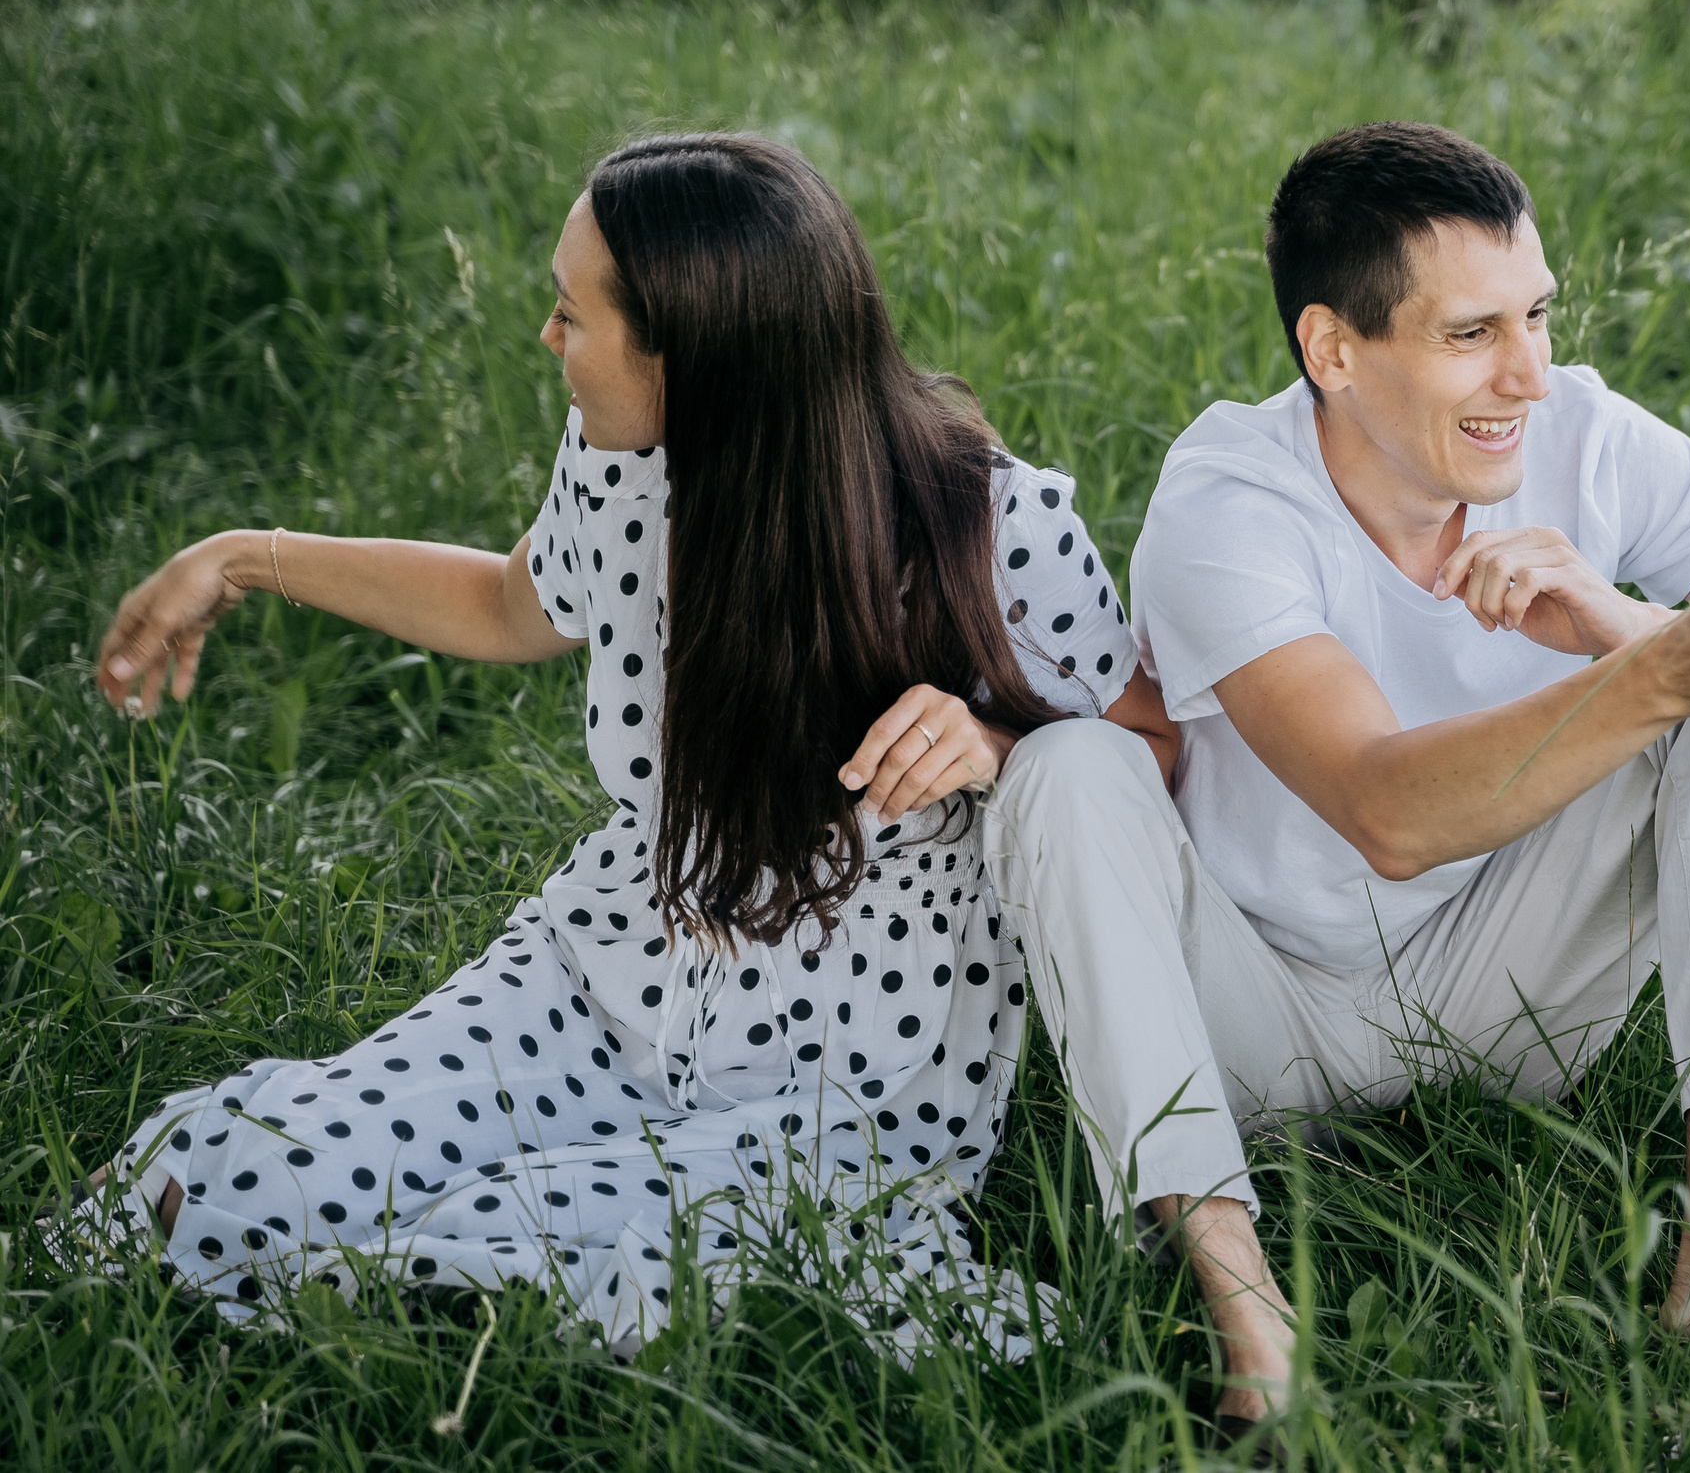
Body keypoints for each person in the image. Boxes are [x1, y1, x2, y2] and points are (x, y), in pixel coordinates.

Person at [74, 133, 1180, 1357]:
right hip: (603, 976)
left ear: (695, 361)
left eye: (571, 312)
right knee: (289, 1166)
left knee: (505, 1249)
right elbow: (510, 602)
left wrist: (989, 737)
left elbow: (1151, 752)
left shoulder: (986, 518)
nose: (548, 339)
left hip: (846, 1069)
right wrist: (245, 556)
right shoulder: (621, 464)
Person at [981, 120, 1690, 1425]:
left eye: (1537, 315)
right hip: (1251, 1010)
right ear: (1333, 349)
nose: (1529, 374)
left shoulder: (1588, 432)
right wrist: (1658, 669)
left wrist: (1618, 623)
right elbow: (1383, 807)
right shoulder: (1226, 502)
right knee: (1068, 769)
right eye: (1471, 332)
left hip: (1504, 986)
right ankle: (1248, 1317)